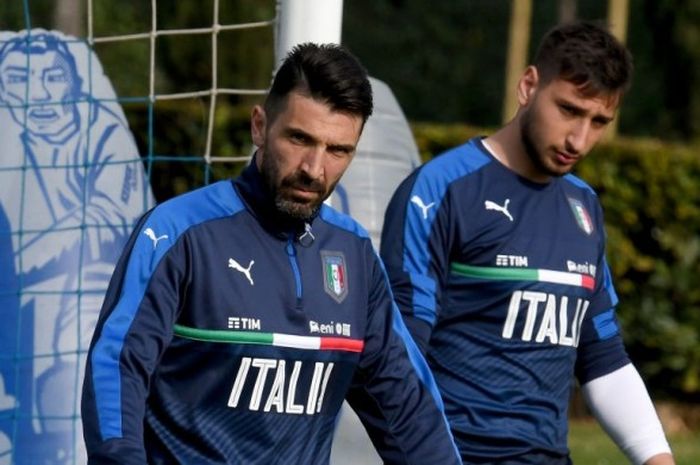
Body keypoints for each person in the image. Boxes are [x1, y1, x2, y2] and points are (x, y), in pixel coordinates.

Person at [81, 42, 461, 465]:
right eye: (300, 138)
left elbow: (407, 407)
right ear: (260, 126)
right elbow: (118, 368)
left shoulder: (354, 255)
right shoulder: (176, 233)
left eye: (338, 151)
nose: (314, 169)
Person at [380, 21, 674, 465]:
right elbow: (400, 364)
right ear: (528, 86)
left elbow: (604, 359)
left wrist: (658, 458)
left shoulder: (584, 206)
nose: (580, 139)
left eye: (599, 122)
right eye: (569, 110)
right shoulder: (438, 192)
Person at [0, 30, 152, 464]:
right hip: (18, 311)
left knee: (73, 371)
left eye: (53, 77)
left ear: (76, 83)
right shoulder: (13, 146)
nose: (39, 95)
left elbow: (100, 225)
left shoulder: (101, 138)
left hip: (88, 304)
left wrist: (17, 265)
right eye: (18, 80)